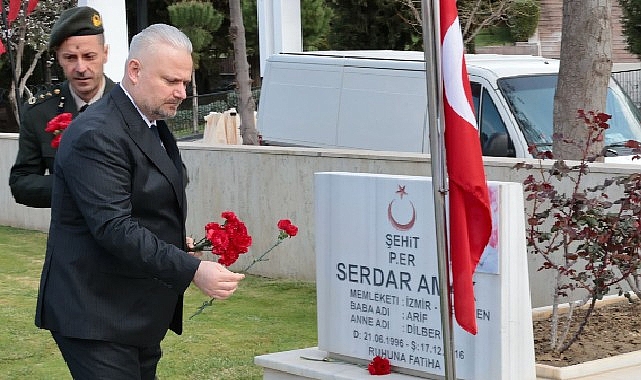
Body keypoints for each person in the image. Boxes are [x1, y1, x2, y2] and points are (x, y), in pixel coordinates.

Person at [35, 24, 245, 379]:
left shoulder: (151, 122)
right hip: (96, 312)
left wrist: (179, 242)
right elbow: (114, 228)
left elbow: (145, 204)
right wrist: (192, 269)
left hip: (134, 310)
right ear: (135, 71)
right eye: (170, 81)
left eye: (184, 83)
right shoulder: (97, 133)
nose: (181, 92)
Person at [9, 6, 115, 208]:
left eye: (89, 56)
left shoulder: (132, 105)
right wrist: (72, 185)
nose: (81, 68)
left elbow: (172, 171)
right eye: (70, 58)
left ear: (105, 53)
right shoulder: (40, 112)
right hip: (69, 234)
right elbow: (21, 183)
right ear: (58, 58)